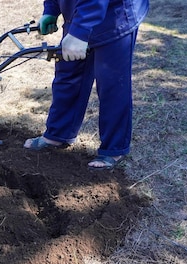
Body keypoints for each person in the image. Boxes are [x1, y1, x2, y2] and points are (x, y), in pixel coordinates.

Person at [24, 0, 149, 170]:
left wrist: (80, 31)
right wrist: (51, 9)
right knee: (68, 74)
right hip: (78, 13)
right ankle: (58, 134)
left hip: (114, 14)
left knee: (112, 84)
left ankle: (113, 149)